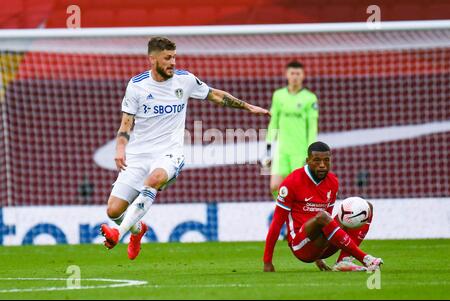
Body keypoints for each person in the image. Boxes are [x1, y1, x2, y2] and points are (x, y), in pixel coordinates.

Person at [101, 37, 270, 260]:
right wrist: (120, 149)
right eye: (167, 58)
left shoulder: (185, 80)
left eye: (174, 57)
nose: (173, 62)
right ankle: (137, 229)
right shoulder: (137, 86)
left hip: (169, 153)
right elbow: (126, 123)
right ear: (152, 59)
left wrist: (248, 107)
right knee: (113, 211)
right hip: (138, 155)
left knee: (154, 179)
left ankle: (118, 234)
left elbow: (215, 95)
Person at [263, 141, 383, 272]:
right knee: (322, 216)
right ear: (308, 161)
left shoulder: (333, 182)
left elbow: (329, 220)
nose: (322, 165)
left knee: (365, 208)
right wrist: (267, 261)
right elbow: (276, 223)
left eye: (326, 160)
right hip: (300, 246)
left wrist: (318, 258)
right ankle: (365, 258)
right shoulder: (291, 182)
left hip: (323, 246)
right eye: (317, 160)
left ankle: (344, 261)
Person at [261, 61, 318, 198]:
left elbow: (312, 128)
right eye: (292, 73)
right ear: (287, 75)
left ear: (303, 76)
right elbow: (273, 123)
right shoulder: (278, 95)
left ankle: (296, 216)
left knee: (299, 189)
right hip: (282, 151)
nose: (295, 77)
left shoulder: (310, 98)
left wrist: (310, 152)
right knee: (275, 186)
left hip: (300, 151)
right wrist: (268, 149)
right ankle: (285, 212)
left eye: (298, 74)